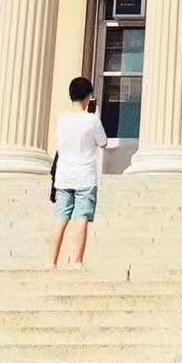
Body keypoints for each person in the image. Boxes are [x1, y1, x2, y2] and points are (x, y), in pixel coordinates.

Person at [49, 77, 107, 269]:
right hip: (85, 176)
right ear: (88, 96)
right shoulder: (92, 120)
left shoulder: (62, 120)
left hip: (64, 175)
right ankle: (76, 261)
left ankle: (51, 261)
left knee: (61, 218)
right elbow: (103, 142)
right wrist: (94, 115)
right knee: (82, 217)